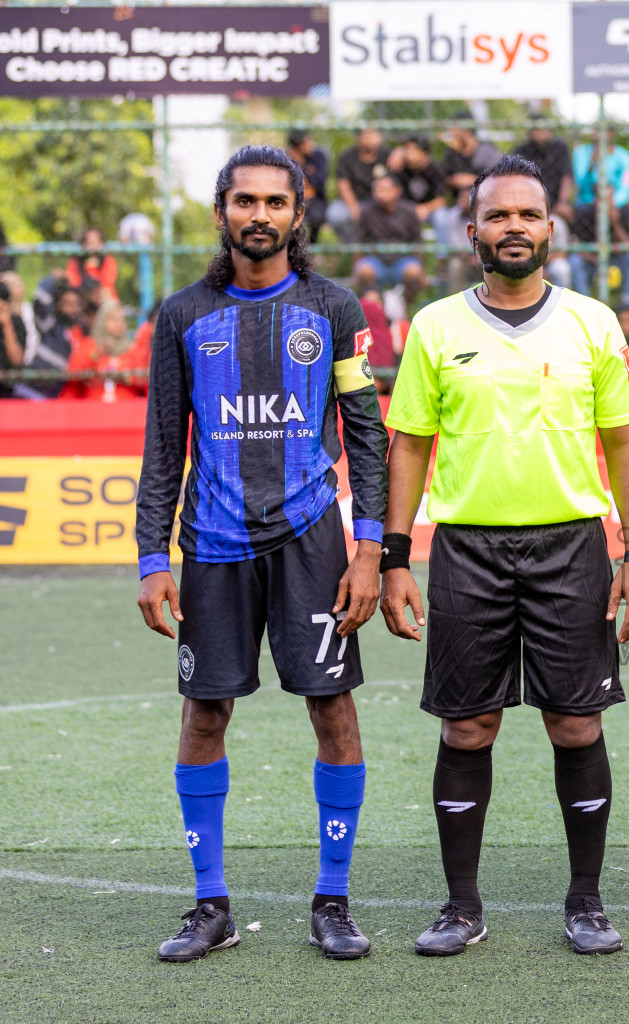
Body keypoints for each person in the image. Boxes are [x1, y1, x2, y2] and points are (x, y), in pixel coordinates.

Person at [379, 154, 629, 959]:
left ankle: (587, 902)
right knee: (468, 728)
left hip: (571, 547)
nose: (513, 228)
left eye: (527, 215)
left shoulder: (594, 322)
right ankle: (461, 907)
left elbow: (625, 448)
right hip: (467, 549)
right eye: (497, 216)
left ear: (551, 230)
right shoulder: (435, 326)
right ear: (472, 233)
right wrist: (397, 556)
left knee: (575, 724)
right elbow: (409, 449)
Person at [134, 145, 389, 963]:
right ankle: (210, 905)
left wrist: (370, 550)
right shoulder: (181, 315)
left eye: (275, 202)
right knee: (204, 713)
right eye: (243, 201)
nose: (259, 215)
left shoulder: (336, 309)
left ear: (298, 211)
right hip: (212, 547)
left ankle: (333, 899)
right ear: (220, 212)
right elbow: (164, 444)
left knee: (332, 709)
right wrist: (151, 557)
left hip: (315, 541)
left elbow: (368, 438)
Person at [570, 133, 629, 306]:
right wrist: (596, 259)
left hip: (617, 259)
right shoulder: (584, 213)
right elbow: (575, 246)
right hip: (591, 260)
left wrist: (615, 222)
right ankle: (585, 304)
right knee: (574, 262)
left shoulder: (626, 213)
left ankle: (627, 305)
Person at [354, 174, 426, 302]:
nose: (379, 193)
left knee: (414, 272)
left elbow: (417, 242)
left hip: (403, 260)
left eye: (384, 189)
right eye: (376, 189)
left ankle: (406, 308)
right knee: (364, 270)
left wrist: (421, 270)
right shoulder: (366, 211)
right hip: (376, 260)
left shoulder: (409, 211)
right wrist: (355, 268)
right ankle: (376, 307)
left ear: (397, 190)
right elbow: (359, 242)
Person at [64, 297, 150, 400]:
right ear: (101, 321)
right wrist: (97, 353)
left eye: (121, 319)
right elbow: (73, 374)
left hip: (127, 408)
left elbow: (145, 379)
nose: (118, 324)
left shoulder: (133, 349)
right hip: (92, 408)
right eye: (112, 319)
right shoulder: (89, 345)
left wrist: (127, 377)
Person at [438, 116, 503, 242]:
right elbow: (443, 179)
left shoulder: (487, 151)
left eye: (454, 129)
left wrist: (473, 180)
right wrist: (454, 180)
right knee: (445, 218)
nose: (451, 133)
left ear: (465, 130)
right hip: (459, 205)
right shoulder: (451, 153)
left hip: (485, 202)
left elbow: (498, 180)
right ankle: (450, 258)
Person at [330, 129, 392, 243]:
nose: (372, 140)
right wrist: (353, 207)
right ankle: (353, 246)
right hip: (352, 201)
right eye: (368, 136)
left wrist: (400, 152)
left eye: (375, 135)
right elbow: (343, 184)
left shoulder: (387, 155)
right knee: (336, 215)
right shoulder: (347, 157)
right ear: (359, 138)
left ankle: (381, 248)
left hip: (378, 202)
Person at [515, 117, 576, 223]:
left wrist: (563, 201)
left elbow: (566, 176)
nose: (541, 133)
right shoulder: (523, 150)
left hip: (555, 205)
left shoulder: (559, 148)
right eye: (537, 130)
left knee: (559, 224)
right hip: (528, 203)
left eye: (543, 129)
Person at [390, 135, 449, 225]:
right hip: (407, 209)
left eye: (414, 150)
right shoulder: (400, 168)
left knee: (441, 216)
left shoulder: (436, 170)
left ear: (424, 152)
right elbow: (396, 198)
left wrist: (424, 209)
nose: (409, 155)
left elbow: (441, 200)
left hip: (429, 210)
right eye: (407, 150)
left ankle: (443, 240)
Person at [286, 130, 329, 244]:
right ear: (297, 147)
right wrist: (295, 163)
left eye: (309, 140)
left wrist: (302, 165)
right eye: (304, 143)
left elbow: (319, 182)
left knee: (316, 217)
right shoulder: (286, 159)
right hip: (294, 199)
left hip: (315, 199)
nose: (310, 144)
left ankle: (312, 247)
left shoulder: (318, 156)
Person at [66, 228, 118, 304]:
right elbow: (74, 282)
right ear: (83, 244)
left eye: (96, 242)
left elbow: (107, 282)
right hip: (82, 296)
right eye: (89, 242)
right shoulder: (75, 260)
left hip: (103, 296)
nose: (93, 246)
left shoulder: (108, 259)